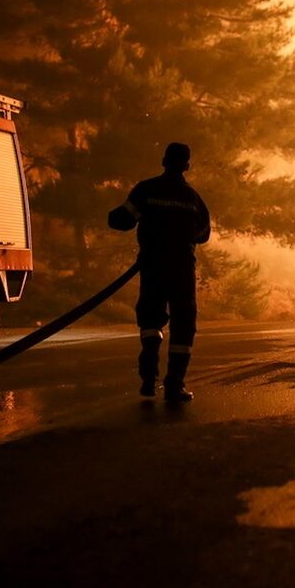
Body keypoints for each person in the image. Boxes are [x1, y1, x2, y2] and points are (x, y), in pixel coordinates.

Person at [108, 142, 211, 401]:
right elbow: (203, 235)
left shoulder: (146, 190)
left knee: (151, 319)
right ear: (187, 166)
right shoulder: (193, 198)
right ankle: (175, 385)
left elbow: (122, 220)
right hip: (182, 268)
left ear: (163, 161)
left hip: (152, 265)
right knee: (183, 324)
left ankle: (149, 378)